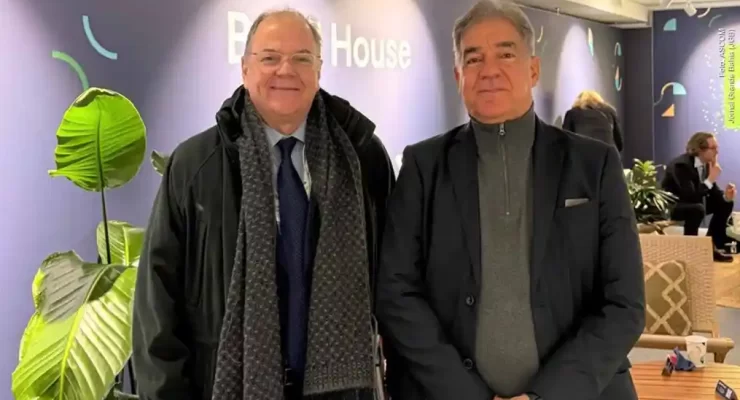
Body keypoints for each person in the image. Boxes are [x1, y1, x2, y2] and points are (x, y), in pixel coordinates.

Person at [375, 1, 645, 400]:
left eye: (505, 54)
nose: (489, 70)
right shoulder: (423, 167)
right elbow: (396, 293)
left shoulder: (595, 165)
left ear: (533, 70)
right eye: (473, 59)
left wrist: (549, 395)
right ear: (458, 76)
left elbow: (625, 304)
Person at [132, 8, 394, 400]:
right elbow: (158, 303)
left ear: (319, 70)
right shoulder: (195, 166)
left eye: (302, 58)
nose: (286, 70)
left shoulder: (362, 158)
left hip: (342, 390)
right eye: (270, 57)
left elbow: (394, 283)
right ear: (245, 69)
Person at [662, 132, 736, 262]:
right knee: (696, 209)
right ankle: (691, 252)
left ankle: (710, 246)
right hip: (673, 206)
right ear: (699, 149)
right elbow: (690, 195)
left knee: (725, 204)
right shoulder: (681, 165)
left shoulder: (706, 165)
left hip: (692, 203)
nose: (717, 152)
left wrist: (726, 197)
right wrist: (711, 179)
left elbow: (712, 192)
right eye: (713, 148)